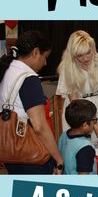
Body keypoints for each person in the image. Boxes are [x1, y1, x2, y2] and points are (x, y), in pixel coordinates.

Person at [0, 31, 64, 174]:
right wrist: (58, 159)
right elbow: (39, 126)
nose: (45, 63)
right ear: (36, 52)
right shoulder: (29, 79)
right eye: (45, 57)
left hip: (11, 150)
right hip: (31, 155)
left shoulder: (9, 69)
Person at [56, 30, 98, 142]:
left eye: (88, 53)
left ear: (92, 48)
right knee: (77, 147)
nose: (85, 58)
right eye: (80, 56)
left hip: (95, 107)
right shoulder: (67, 66)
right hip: (76, 111)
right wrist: (93, 123)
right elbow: (75, 102)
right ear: (73, 55)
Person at [58, 99, 97, 175]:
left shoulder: (64, 135)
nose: (95, 122)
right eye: (94, 120)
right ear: (85, 125)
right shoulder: (85, 148)